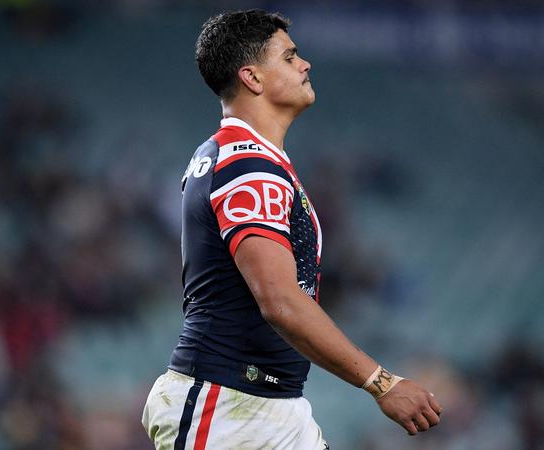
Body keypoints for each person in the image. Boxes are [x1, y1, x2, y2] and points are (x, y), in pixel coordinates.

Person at [142, 9, 442, 449]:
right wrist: (381, 382)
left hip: (267, 403)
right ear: (253, 78)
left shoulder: (239, 156)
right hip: (225, 405)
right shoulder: (248, 165)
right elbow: (280, 300)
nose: (305, 64)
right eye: (289, 56)